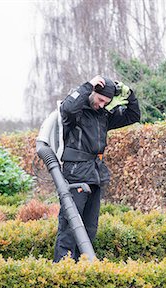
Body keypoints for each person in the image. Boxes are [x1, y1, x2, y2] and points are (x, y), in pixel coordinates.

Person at [54, 75, 140, 262]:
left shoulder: (103, 116)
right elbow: (67, 107)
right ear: (93, 92)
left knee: (89, 227)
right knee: (70, 226)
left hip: (95, 173)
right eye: (100, 100)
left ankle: (83, 268)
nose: (102, 105)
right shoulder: (76, 113)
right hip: (75, 173)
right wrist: (88, 85)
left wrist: (130, 95)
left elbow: (133, 116)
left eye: (106, 102)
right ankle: (62, 269)